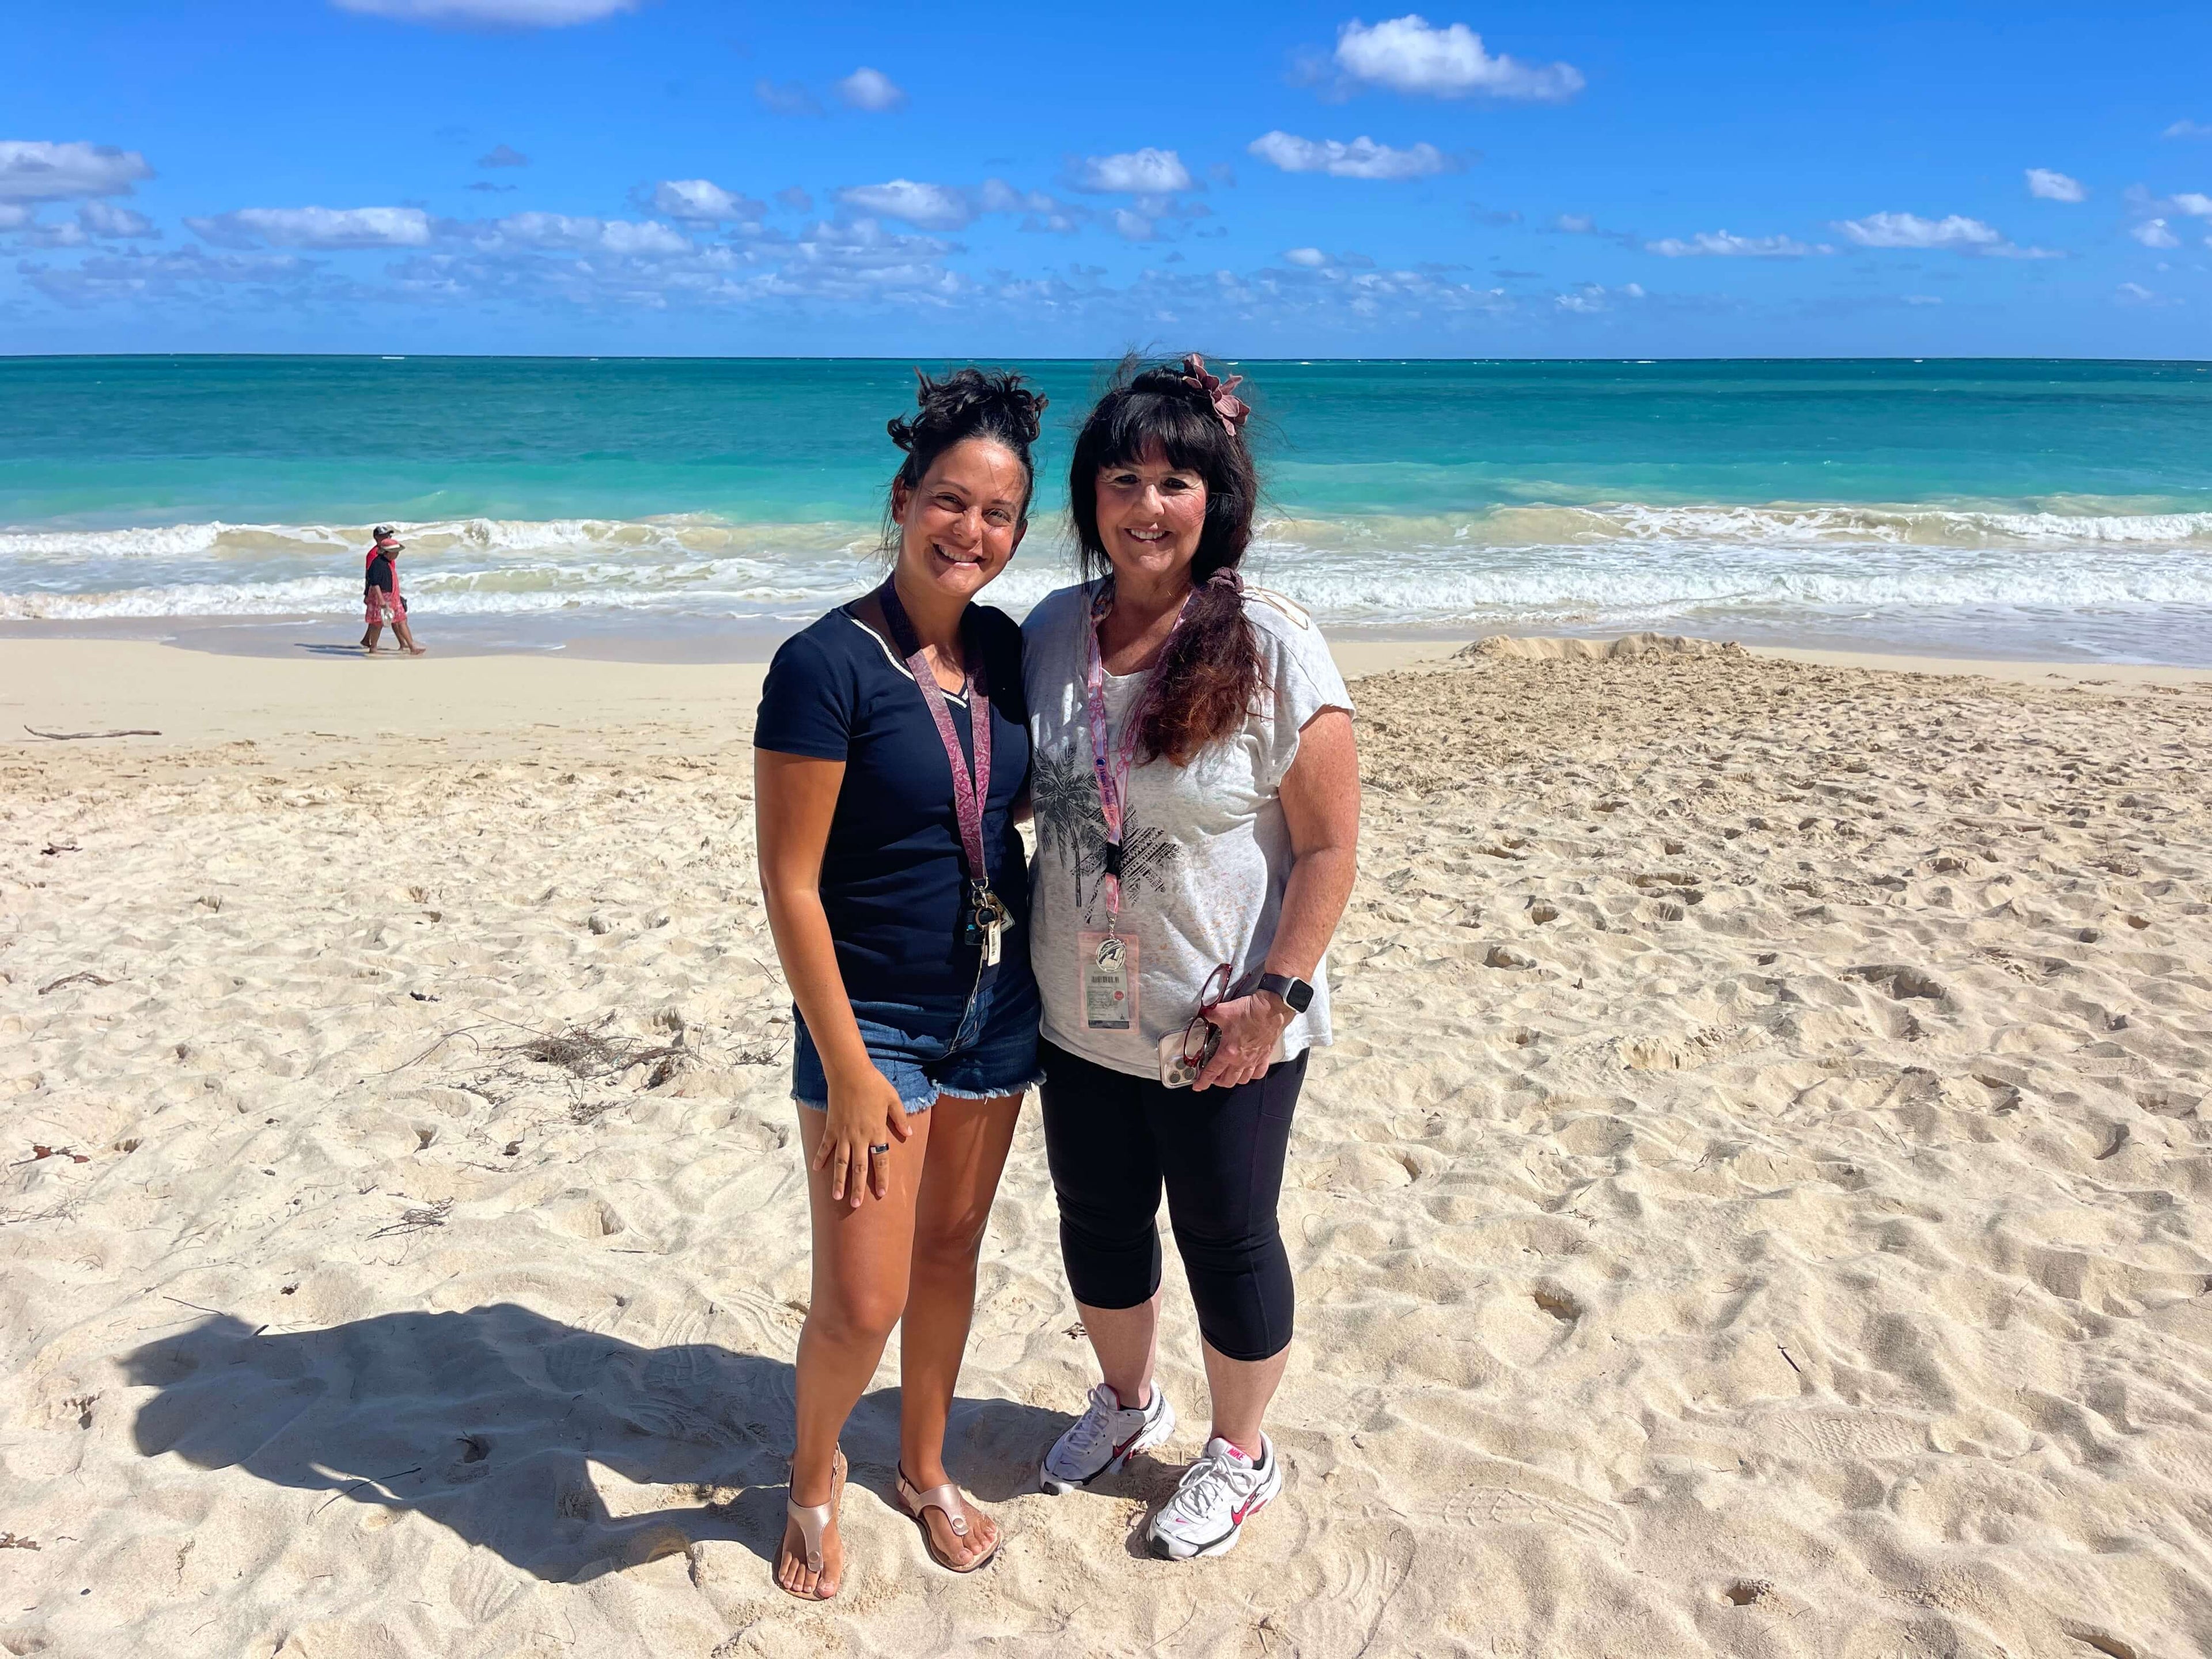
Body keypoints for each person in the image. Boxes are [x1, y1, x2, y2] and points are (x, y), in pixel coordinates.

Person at [1023, 355, 1360, 1560]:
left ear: (1217, 495)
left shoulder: (1273, 644)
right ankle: (1126, 1405)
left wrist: (1276, 1000)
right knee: (1098, 1223)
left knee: (1226, 1235)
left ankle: (1240, 1455)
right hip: (1077, 1013)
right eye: (1124, 477)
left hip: (1222, 1027)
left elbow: (1327, 849)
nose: (1148, 504)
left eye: (1176, 479)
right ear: (1090, 496)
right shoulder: (1054, 632)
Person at [752, 368, 1047, 1600]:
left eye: (998, 514)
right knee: (863, 1297)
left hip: (997, 1001)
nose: (970, 531)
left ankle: (923, 1467)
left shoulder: (1007, 649)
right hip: (873, 1018)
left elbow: (1004, 804)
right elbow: (792, 886)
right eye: (948, 501)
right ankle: (815, 1476)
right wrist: (855, 1066)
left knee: (952, 1251)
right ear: (903, 499)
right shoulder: (823, 664)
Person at [360, 526, 425, 656]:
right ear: (387, 552)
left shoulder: (388, 562)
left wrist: (397, 594)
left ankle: (411, 646)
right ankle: (374, 647)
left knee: (401, 620)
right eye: (395, 552)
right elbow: (374, 582)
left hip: (392, 595)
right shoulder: (376, 562)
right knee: (378, 623)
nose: (397, 554)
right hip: (383, 597)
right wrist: (380, 599)